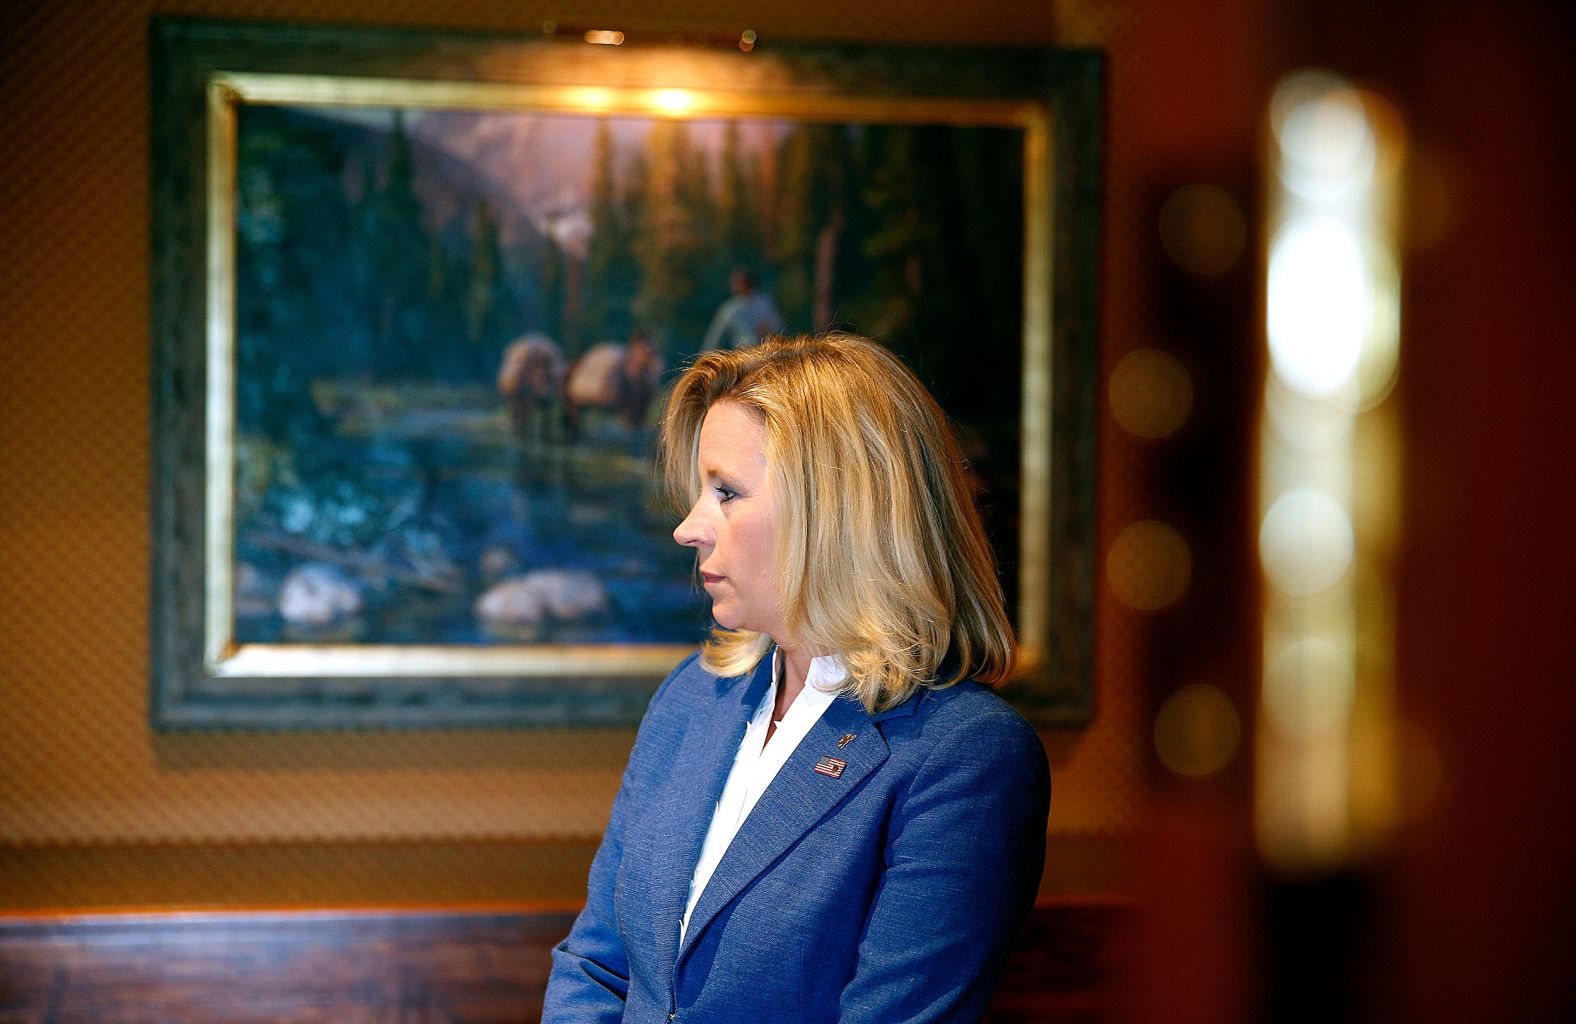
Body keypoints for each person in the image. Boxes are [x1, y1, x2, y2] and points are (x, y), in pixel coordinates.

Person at [542, 333, 1051, 1024]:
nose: (689, 527)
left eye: (725, 492)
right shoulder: (693, 696)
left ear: (837, 510)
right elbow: (596, 966)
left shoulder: (965, 756)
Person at [699, 268, 784, 351]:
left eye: (738, 282)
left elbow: (778, 323)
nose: (734, 286)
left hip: (766, 350)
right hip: (743, 354)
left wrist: (769, 328)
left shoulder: (764, 302)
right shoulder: (730, 308)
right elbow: (715, 335)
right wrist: (706, 355)